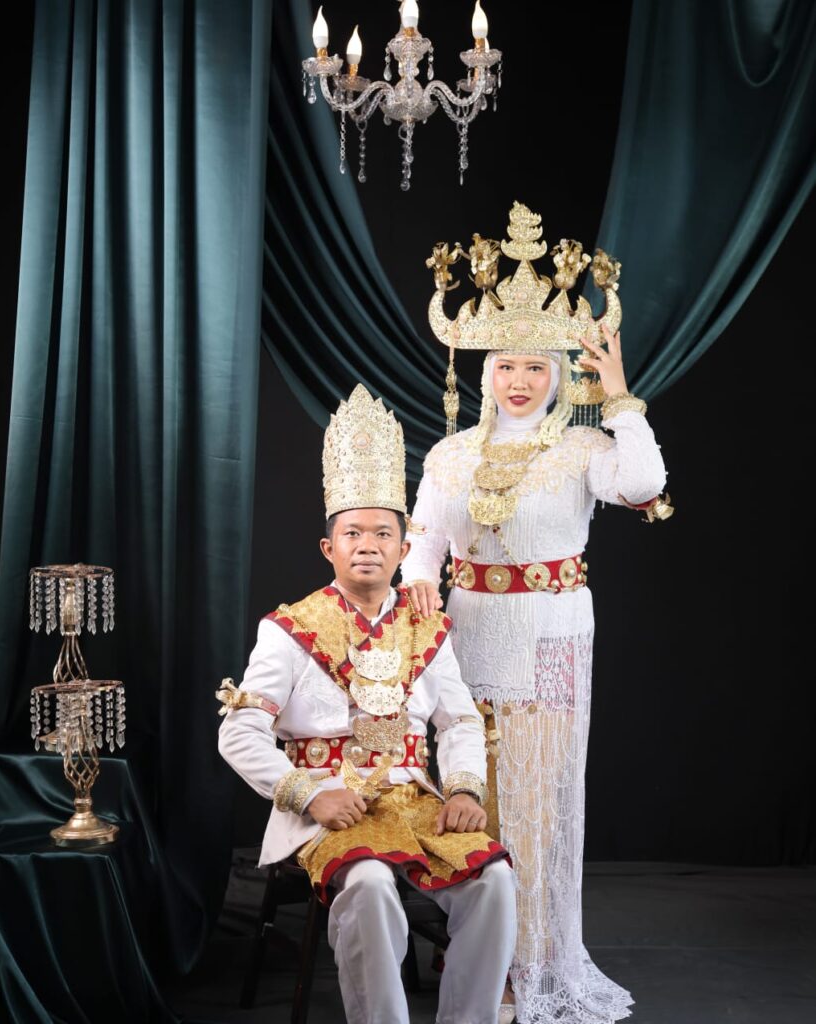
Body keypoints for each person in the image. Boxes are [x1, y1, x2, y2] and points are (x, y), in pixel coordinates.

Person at [402, 203, 671, 1024]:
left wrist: (619, 395)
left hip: (552, 636)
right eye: (505, 365)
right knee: (467, 791)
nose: (518, 379)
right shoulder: (450, 454)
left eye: (534, 366)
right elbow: (424, 540)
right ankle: (473, 948)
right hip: (468, 631)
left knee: (536, 801)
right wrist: (417, 580)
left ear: (557, 374)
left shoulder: (582, 448)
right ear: (485, 373)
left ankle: (532, 960)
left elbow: (645, 484)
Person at [217, 384, 516, 1024]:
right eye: (352, 532)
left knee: (495, 880)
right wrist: (308, 795)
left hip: (416, 803)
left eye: (384, 533)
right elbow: (238, 733)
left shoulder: (427, 629)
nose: (368, 544)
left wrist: (465, 788)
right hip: (329, 808)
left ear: (404, 551)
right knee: (373, 884)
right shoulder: (289, 629)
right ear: (330, 548)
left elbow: (460, 720)